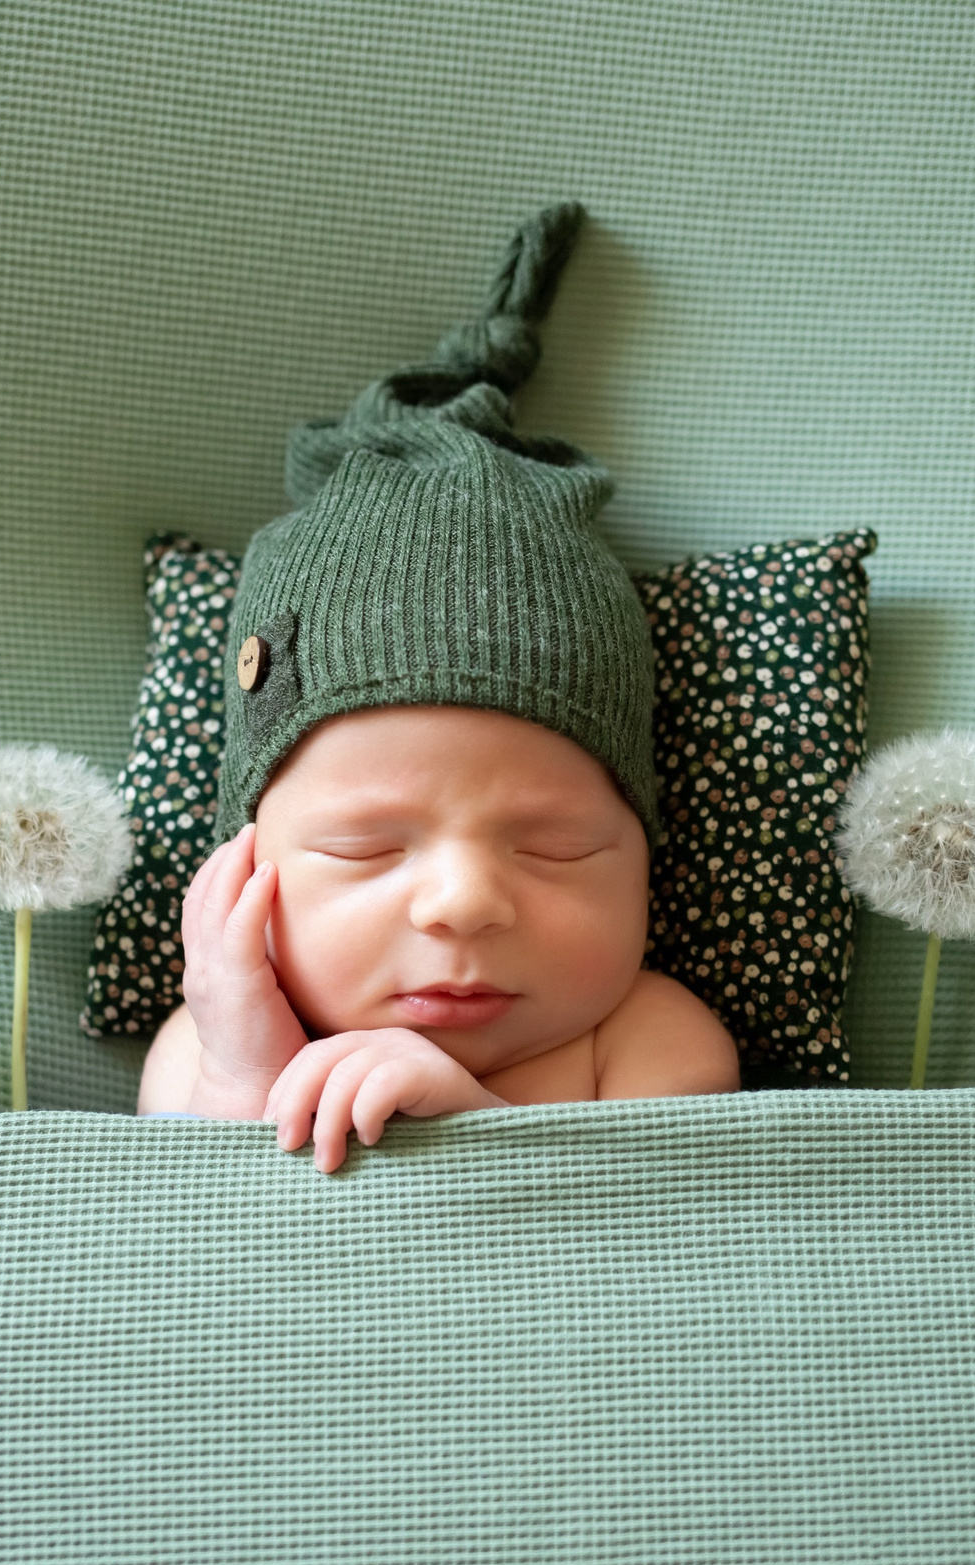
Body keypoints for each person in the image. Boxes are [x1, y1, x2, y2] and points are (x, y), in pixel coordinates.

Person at [137, 202, 739, 1170]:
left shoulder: (649, 1042)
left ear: (643, 859)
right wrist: (243, 1079)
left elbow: (661, 1231)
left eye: (558, 848)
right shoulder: (206, 1043)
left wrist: (469, 1123)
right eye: (364, 847)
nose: (463, 903)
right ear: (240, 870)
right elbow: (174, 1244)